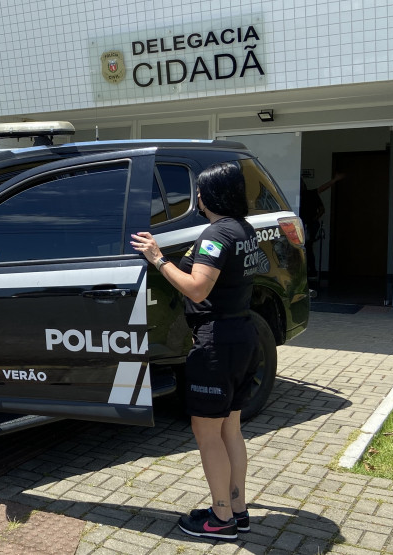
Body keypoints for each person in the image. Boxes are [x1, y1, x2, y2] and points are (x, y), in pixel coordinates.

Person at [130, 162, 260, 541]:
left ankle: (220, 520)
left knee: (207, 434)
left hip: (216, 343)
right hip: (243, 336)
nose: (197, 196)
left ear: (211, 195)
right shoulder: (244, 230)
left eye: (200, 191)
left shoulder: (215, 235)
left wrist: (157, 257)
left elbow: (197, 288)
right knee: (231, 430)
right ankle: (237, 508)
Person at [299, 172, 345, 279]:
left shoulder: (307, 194)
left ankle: (309, 272)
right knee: (307, 247)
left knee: (305, 248)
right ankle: (311, 271)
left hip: (306, 224)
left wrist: (313, 220)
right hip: (307, 224)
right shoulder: (310, 194)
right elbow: (322, 209)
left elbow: (321, 190)